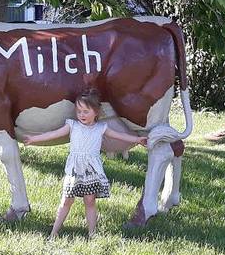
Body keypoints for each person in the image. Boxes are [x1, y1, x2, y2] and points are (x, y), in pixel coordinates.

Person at [23, 88, 146, 239]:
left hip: (91, 170)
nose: (81, 114)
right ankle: (54, 232)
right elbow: (53, 134)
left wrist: (138, 140)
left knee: (90, 200)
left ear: (96, 112)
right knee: (67, 200)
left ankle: (92, 233)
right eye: (79, 111)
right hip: (75, 169)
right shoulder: (72, 126)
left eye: (86, 111)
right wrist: (33, 139)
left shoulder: (101, 128)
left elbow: (120, 136)